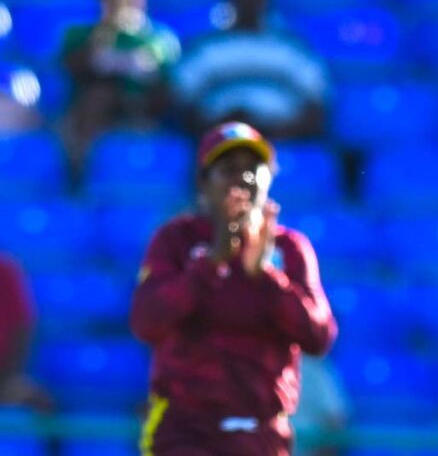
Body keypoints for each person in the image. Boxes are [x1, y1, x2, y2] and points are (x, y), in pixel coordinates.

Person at [130, 121, 337, 455]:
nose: (243, 179)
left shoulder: (290, 249)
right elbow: (147, 320)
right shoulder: (178, 241)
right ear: (203, 183)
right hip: (186, 431)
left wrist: (266, 278)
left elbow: (319, 336)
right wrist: (213, 262)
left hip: (261, 432)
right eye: (228, 170)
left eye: (254, 169)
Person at [172, 0, 329, 139]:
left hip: (278, 145)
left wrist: (278, 131)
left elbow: (317, 104)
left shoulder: (291, 48)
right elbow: (182, 102)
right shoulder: (207, 48)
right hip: (222, 147)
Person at [60, 0, 180, 170]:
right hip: (90, 121)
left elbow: (163, 83)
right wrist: (108, 28)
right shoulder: (78, 35)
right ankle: (79, 176)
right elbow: (76, 67)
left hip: (142, 118)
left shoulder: (161, 40)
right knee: (98, 96)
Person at [0, 252, 52, 412]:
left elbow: (22, 330)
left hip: (3, 379)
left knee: (41, 403)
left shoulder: (6, 271)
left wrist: (7, 379)